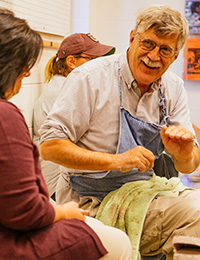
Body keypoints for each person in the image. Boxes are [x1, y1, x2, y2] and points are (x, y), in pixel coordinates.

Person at [39, 5, 200, 260]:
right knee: (196, 217)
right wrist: (116, 161)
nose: (154, 56)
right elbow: (49, 146)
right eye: (148, 43)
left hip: (144, 192)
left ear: (176, 55)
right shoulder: (90, 79)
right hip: (91, 200)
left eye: (165, 50)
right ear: (132, 37)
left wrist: (183, 154)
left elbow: (189, 165)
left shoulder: (172, 87)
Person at [0, 7, 132, 260]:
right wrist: (64, 211)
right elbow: (25, 209)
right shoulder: (11, 113)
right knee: (114, 240)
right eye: (93, 60)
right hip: (48, 199)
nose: (27, 73)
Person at [33, 33, 115, 198]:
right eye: (92, 59)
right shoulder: (63, 91)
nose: (100, 65)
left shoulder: (67, 86)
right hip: (60, 187)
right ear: (71, 62)